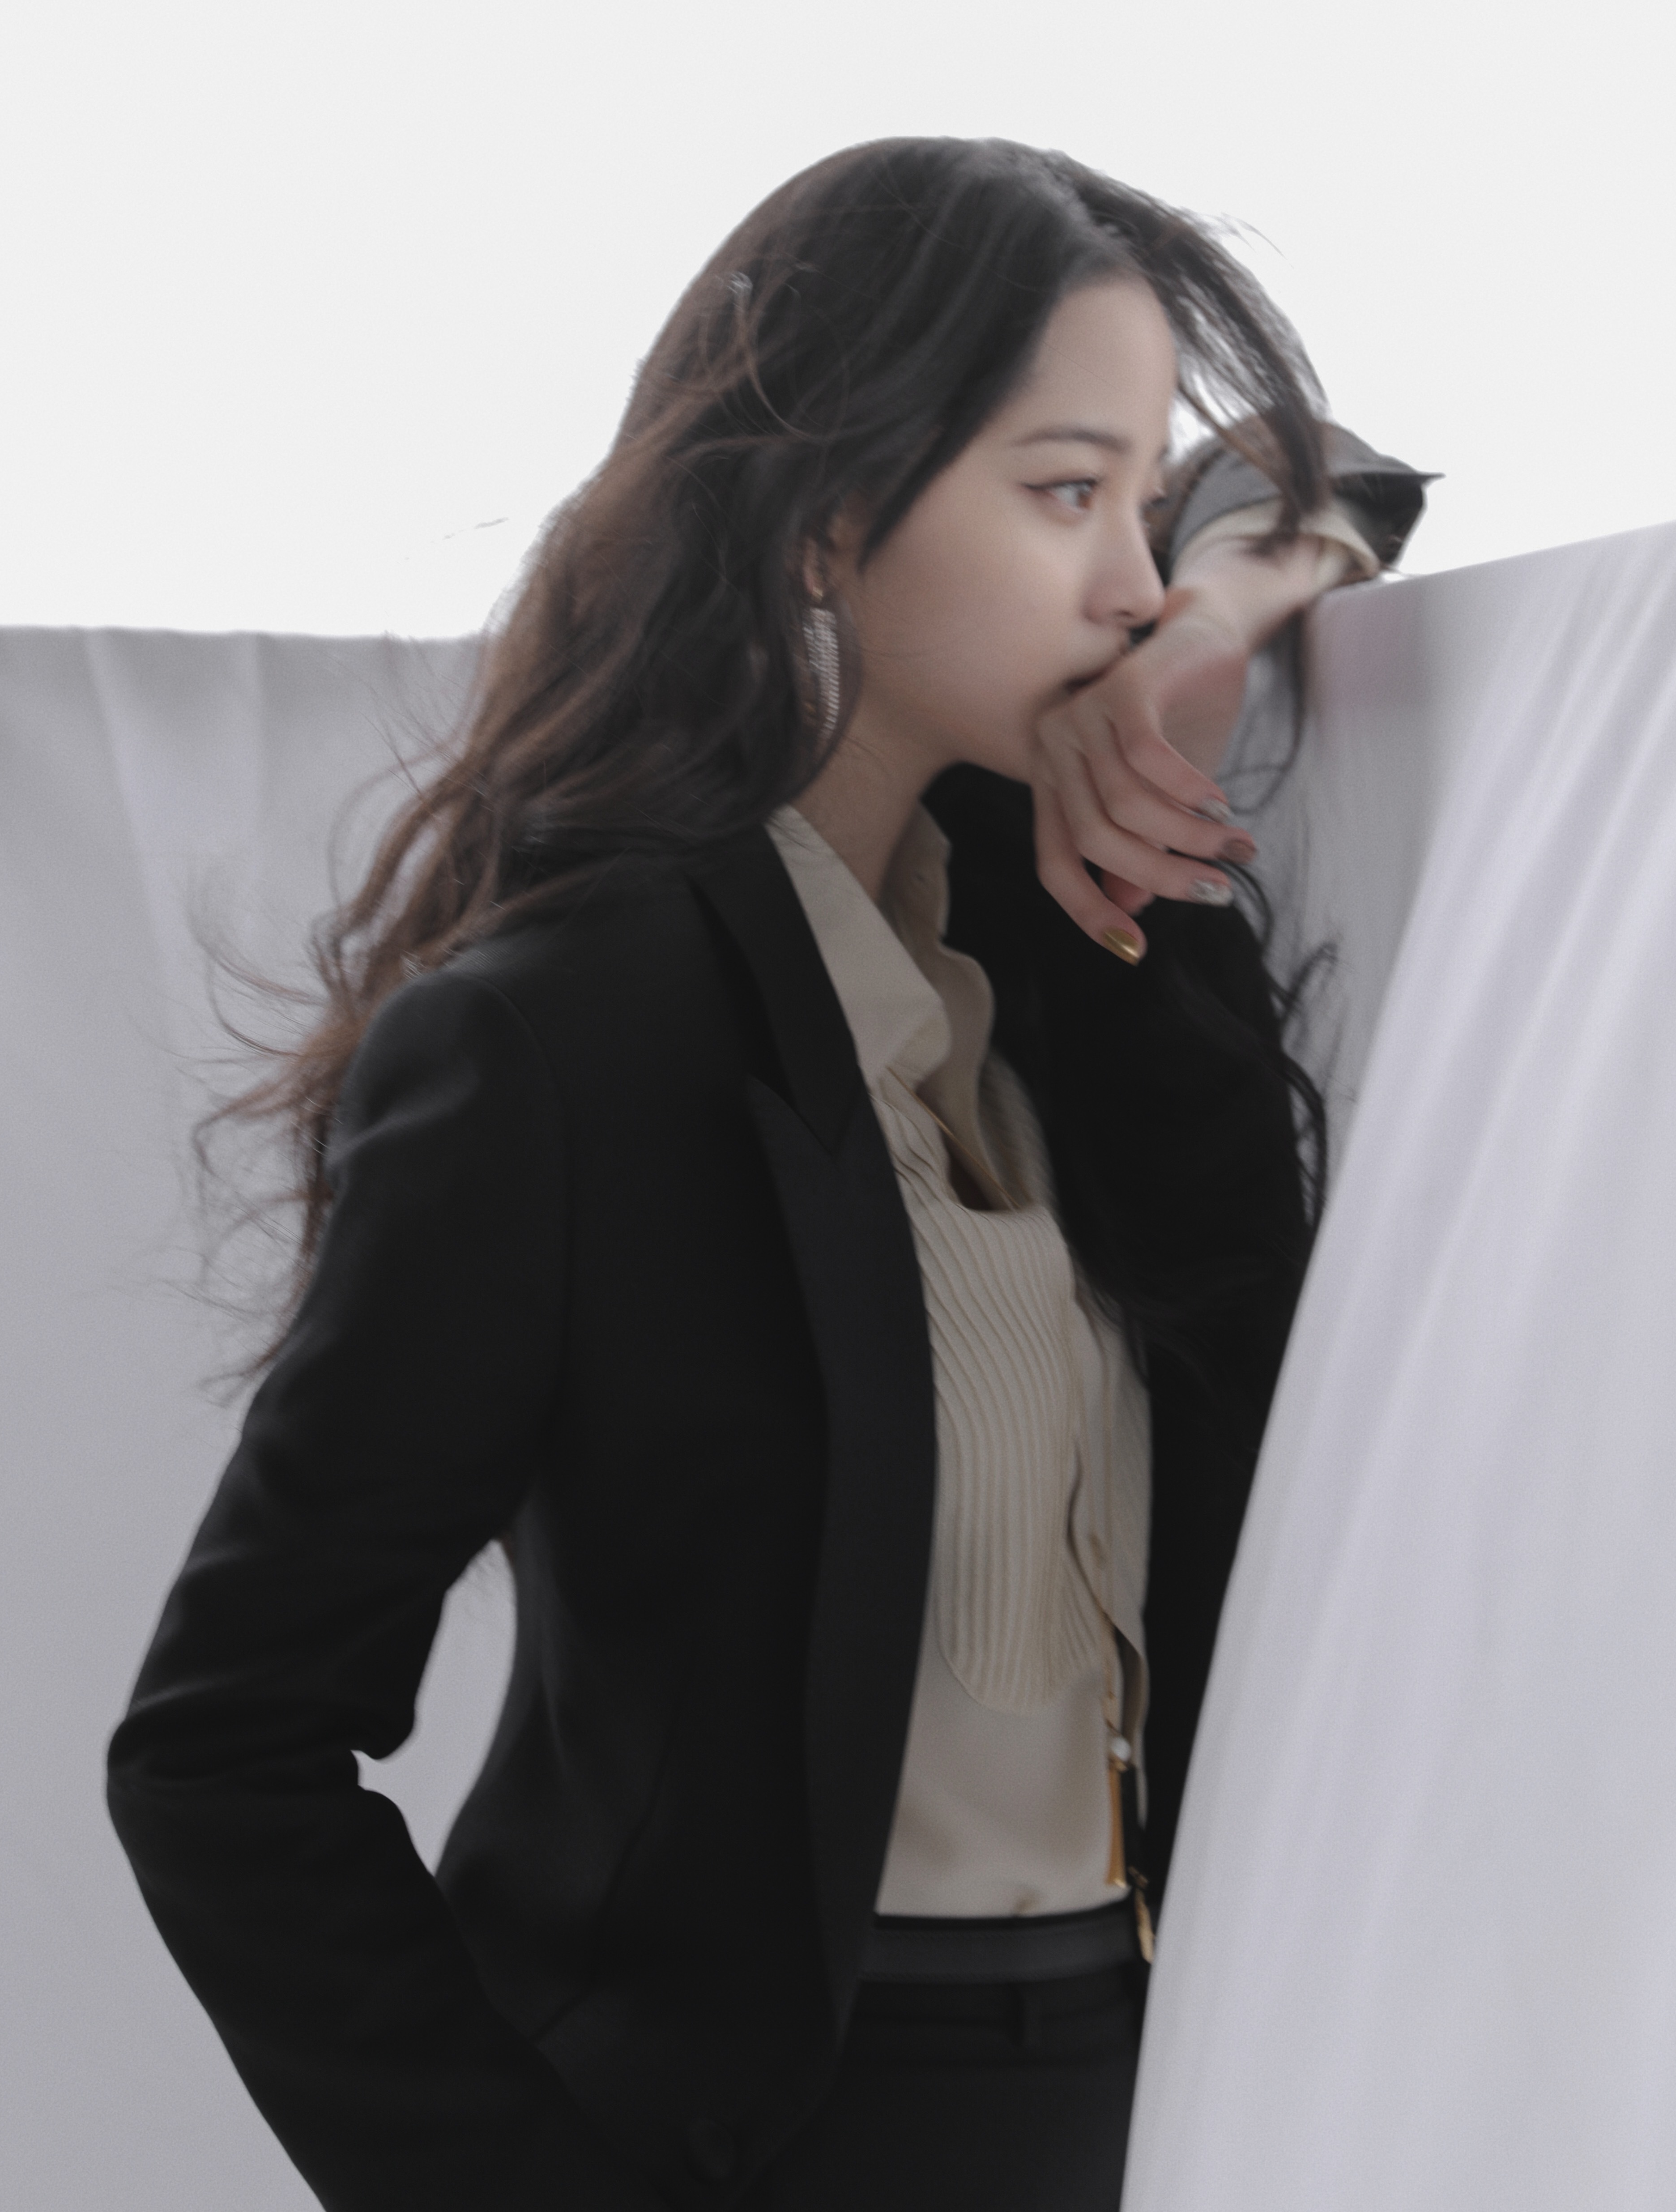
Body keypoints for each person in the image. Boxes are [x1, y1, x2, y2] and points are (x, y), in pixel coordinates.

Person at [106, 137, 1426, 2212]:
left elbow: (1346, 477)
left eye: (1136, 504)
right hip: (754, 2141)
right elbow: (222, 1750)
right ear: (824, 517)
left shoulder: (1078, 960)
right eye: (1060, 495)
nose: (1121, 580)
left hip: (1162, 2106)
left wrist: (1223, 611)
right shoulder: (560, 1045)